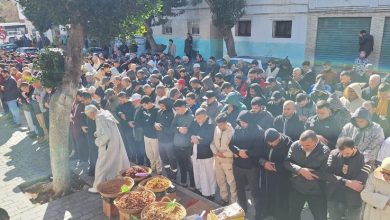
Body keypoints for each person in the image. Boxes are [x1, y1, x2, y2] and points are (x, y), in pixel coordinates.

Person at [284, 130, 330, 220]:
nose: (303, 148)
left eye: (307, 145)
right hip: (296, 187)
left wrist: (308, 173)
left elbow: (325, 173)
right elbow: (287, 162)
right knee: (293, 214)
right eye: (301, 145)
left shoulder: (325, 151)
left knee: (320, 216)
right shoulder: (295, 145)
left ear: (316, 141)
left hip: (316, 190)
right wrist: (300, 170)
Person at [84, 105, 130, 193]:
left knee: (101, 166)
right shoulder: (105, 113)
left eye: (89, 115)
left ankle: (98, 187)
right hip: (115, 143)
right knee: (118, 164)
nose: (89, 118)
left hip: (108, 146)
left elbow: (106, 136)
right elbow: (108, 129)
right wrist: (98, 133)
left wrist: (97, 142)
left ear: (92, 113)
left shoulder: (99, 118)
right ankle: (121, 185)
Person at [229, 111, 264, 219]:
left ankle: (259, 213)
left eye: (245, 122)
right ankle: (243, 210)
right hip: (238, 165)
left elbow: (259, 150)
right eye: (241, 122)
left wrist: (246, 153)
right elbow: (231, 144)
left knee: (255, 191)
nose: (242, 124)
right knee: (240, 190)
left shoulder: (258, 131)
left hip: (251, 167)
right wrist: (238, 152)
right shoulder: (238, 128)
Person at [327, 137, 371, 220]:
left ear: (354, 147)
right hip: (334, 196)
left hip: (354, 199)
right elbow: (327, 175)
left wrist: (336, 179)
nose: (344, 155)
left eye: (347, 153)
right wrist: (346, 182)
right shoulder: (333, 154)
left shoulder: (366, 159)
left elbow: (359, 184)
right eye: (341, 153)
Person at [259, 128, 293, 220]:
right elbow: (259, 155)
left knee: (280, 197)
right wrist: (264, 163)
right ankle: (267, 211)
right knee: (266, 193)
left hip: (281, 176)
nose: (271, 145)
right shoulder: (264, 140)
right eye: (269, 143)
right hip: (266, 174)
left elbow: (290, 163)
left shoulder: (288, 144)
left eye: (273, 142)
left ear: (279, 137)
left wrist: (275, 167)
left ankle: (280, 215)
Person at [189, 108, 216, 199]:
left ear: (205, 116)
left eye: (200, 118)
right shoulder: (195, 122)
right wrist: (192, 136)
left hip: (206, 153)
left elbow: (209, 139)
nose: (198, 120)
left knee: (208, 173)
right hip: (195, 150)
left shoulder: (211, 124)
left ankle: (209, 192)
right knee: (197, 171)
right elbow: (190, 131)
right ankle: (199, 188)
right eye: (196, 118)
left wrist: (198, 140)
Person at [211, 113, 237, 205]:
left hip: (228, 161)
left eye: (221, 125)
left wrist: (224, 154)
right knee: (220, 180)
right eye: (217, 125)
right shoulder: (217, 128)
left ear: (226, 122)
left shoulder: (232, 132)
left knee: (231, 182)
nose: (219, 127)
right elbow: (212, 143)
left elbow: (234, 150)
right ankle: (224, 199)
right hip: (217, 159)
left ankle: (234, 202)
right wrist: (216, 152)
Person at [172, 99, 195, 189]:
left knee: (190, 166)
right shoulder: (177, 115)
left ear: (183, 107)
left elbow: (194, 131)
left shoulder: (192, 117)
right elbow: (172, 127)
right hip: (177, 145)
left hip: (187, 146)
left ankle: (193, 184)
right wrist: (178, 129)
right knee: (181, 165)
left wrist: (187, 132)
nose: (176, 111)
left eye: (177, 109)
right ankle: (183, 181)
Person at [155, 97, 177, 181]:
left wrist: (162, 129)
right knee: (164, 158)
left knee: (172, 158)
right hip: (161, 140)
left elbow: (173, 129)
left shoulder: (172, 113)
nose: (161, 107)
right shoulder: (159, 112)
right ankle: (168, 173)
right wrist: (155, 125)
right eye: (160, 105)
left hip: (169, 141)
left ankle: (174, 175)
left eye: (163, 106)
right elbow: (156, 121)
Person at [138, 96, 161, 174]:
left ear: (149, 103)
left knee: (156, 155)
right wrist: (145, 122)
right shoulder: (143, 109)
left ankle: (159, 171)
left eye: (144, 105)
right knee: (149, 154)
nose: (143, 107)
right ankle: (153, 168)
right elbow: (139, 119)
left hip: (154, 136)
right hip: (146, 135)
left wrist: (147, 122)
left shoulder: (157, 110)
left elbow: (154, 122)